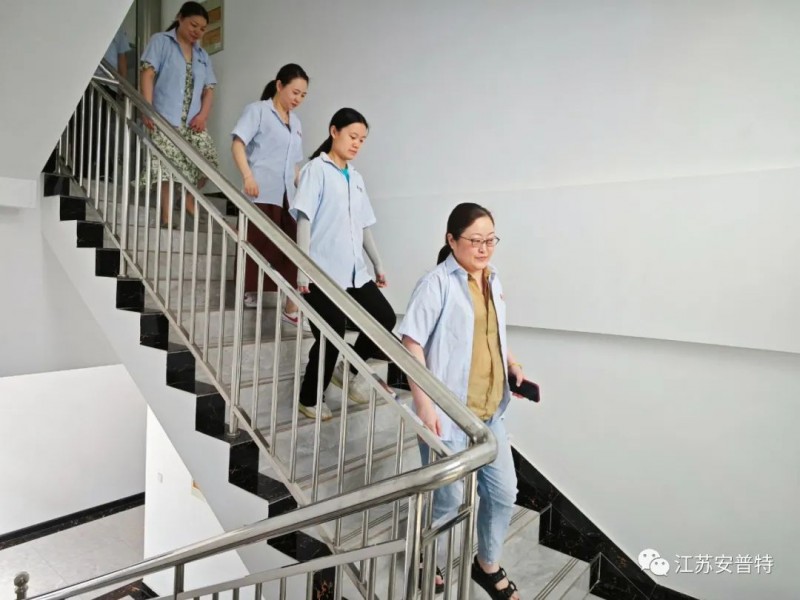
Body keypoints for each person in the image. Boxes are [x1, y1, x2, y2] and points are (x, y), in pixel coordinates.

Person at [397, 203, 525, 599]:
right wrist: (424, 404)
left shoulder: (493, 279)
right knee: (447, 497)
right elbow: (411, 342)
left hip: (489, 412)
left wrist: (511, 363)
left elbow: (492, 331)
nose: (484, 248)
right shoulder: (436, 284)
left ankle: (486, 564)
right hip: (448, 413)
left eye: (491, 240)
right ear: (451, 240)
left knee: (503, 493)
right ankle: (422, 552)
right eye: (475, 240)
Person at [289, 108, 396, 421]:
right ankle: (309, 398)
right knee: (331, 331)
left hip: (354, 271)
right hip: (320, 271)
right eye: (352, 136)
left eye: (362, 140)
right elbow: (304, 219)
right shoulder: (316, 170)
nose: (356, 144)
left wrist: (377, 264)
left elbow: (363, 226)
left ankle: (346, 370)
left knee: (384, 318)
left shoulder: (356, 178)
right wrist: (302, 269)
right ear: (334, 131)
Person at [231, 64, 309, 325]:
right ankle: (248, 290)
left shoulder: (296, 122)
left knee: (295, 246)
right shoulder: (258, 111)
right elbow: (238, 144)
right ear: (279, 85)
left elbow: (294, 164)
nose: (298, 99)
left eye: (303, 95)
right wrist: (247, 177)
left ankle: (291, 306)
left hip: (288, 195)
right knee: (257, 242)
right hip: (261, 189)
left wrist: (305, 190)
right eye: (295, 92)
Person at [139, 1, 220, 227]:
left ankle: (188, 198)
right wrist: (147, 108)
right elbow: (147, 74)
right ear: (180, 18)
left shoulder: (202, 55)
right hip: (164, 117)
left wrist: (203, 116)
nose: (197, 32)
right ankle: (166, 217)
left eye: (202, 29)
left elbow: (209, 90)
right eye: (194, 25)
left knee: (209, 161)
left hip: (193, 120)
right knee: (167, 168)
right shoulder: (161, 41)